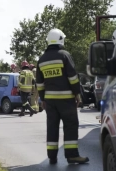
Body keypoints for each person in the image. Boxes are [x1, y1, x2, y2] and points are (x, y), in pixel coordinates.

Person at [36, 28, 89, 164]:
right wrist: (77, 94)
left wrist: (43, 99)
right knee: (70, 126)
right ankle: (72, 155)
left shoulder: (41, 60)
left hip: (50, 102)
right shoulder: (64, 55)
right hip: (66, 100)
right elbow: (72, 77)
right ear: (60, 39)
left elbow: (40, 84)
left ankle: (52, 156)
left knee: (52, 127)